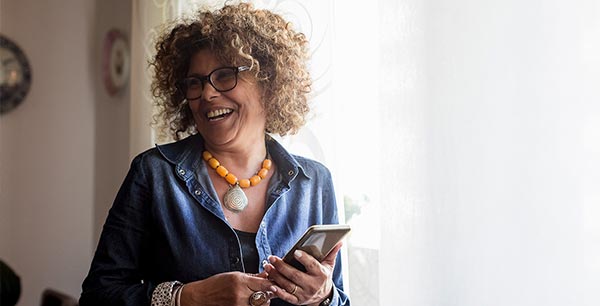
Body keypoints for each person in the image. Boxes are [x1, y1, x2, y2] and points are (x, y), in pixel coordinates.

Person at [80, 3, 349, 306]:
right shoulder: (153, 174)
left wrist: (324, 296)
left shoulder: (314, 182)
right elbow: (98, 296)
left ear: (269, 82)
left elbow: (339, 298)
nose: (207, 94)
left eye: (224, 76)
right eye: (195, 82)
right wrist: (188, 297)